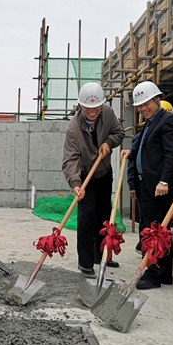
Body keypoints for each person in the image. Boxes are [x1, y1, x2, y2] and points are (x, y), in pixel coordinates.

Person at [120, 82, 173, 290]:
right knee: (160, 229)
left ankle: (153, 275)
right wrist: (131, 153)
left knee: (154, 231)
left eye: (146, 103)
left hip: (159, 187)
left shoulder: (169, 121)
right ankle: (165, 274)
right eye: (139, 105)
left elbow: (172, 154)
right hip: (147, 185)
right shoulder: (150, 123)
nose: (143, 108)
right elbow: (148, 150)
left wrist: (164, 181)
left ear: (157, 99)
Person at [62, 82, 125, 277]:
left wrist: (108, 142)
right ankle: (86, 262)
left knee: (105, 214)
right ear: (80, 106)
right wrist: (76, 184)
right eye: (87, 108)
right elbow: (70, 160)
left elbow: (119, 133)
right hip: (84, 176)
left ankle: (102, 255)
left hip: (104, 172)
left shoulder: (108, 114)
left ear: (101, 105)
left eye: (96, 107)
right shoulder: (73, 129)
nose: (92, 111)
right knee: (87, 216)